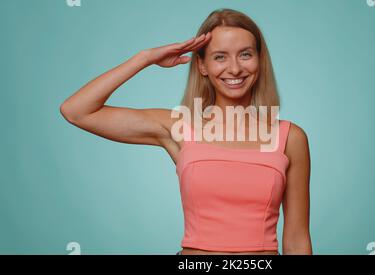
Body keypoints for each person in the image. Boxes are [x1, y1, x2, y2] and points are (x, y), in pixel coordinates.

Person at [60, 8, 312, 255]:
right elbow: (77, 110)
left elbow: (297, 241)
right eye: (220, 57)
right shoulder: (180, 127)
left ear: (259, 59)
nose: (234, 69)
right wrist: (145, 58)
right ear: (201, 65)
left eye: (245, 54)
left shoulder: (289, 138)